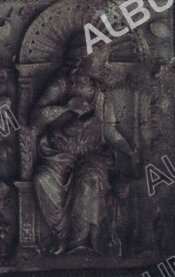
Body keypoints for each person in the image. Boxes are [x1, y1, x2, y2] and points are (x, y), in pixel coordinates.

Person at [30, 32, 136, 254]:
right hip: (59, 155)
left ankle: (83, 244)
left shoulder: (100, 92)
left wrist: (128, 150)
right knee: (42, 179)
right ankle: (61, 238)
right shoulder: (60, 85)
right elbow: (35, 118)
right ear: (83, 58)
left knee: (88, 179)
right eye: (100, 57)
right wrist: (67, 107)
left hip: (91, 155)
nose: (104, 63)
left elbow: (109, 129)